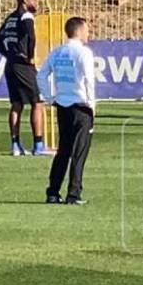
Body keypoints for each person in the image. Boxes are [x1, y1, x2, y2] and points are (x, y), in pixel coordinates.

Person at [38, 16, 96, 205]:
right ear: (79, 31)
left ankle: (53, 192)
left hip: (62, 105)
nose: (88, 33)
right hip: (80, 106)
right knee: (79, 153)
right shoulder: (83, 53)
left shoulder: (57, 52)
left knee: (63, 151)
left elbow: (42, 74)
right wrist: (91, 104)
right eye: (87, 30)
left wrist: (49, 97)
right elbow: (88, 79)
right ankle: (74, 194)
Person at [0, 0, 46, 156]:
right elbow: (31, 37)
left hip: (11, 64)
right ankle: (38, 145)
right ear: (24, 1)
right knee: (37, 102)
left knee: (16, 104)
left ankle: (15, 145)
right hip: (23, 65)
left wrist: (8, 53)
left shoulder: (10, 18)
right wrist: (30, 56)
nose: (35, 3)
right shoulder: (26, 16)